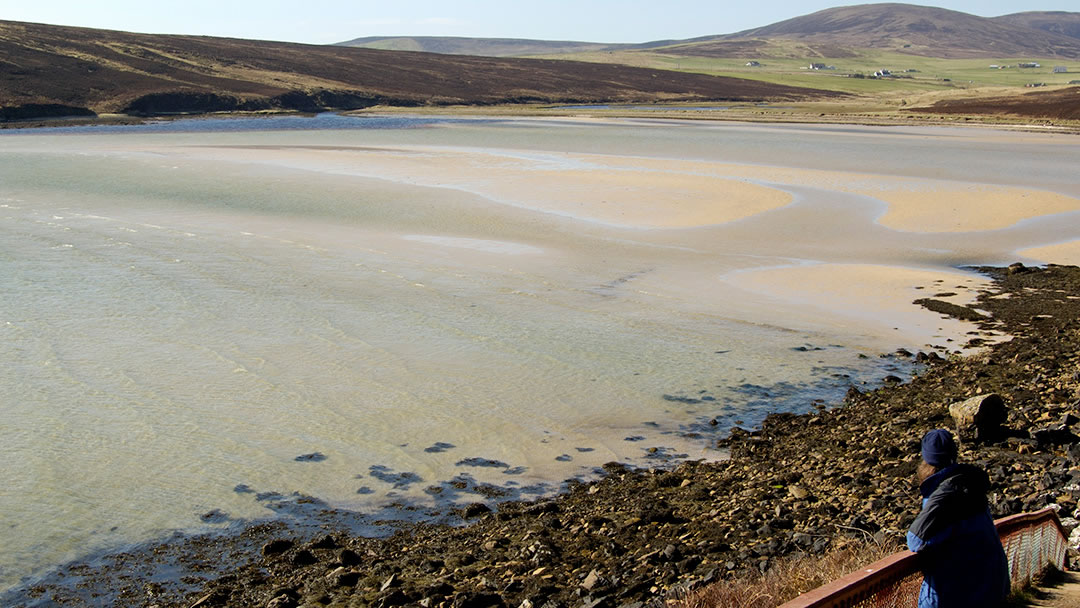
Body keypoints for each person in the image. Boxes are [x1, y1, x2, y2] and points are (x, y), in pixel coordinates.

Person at [906, 428, 1010, 608]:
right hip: (992, 584)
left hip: (958, 591)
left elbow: (915, 539)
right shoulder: (970, 483)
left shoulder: (944, 493)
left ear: (926, 460)